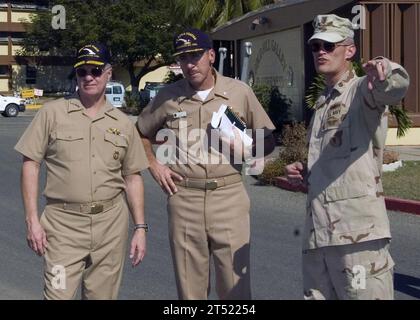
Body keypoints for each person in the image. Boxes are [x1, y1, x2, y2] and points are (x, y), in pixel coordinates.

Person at [137, 28, 275, 299]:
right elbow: (140, 133)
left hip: (229, 197)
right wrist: (154, 165)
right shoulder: (167, 96)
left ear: (211, 55)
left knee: (235, 288)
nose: (190, 64)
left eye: (196, 56)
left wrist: (247, 147)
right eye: (184, 58)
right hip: (184, 198)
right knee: (190, 290)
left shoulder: (238, 92)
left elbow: (269, 138)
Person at [286, 14, 410, 300]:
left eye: (329, 46)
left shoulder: (361, 91)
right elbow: (335, 160)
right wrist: (306, 171)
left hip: (357, 237)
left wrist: (385, 71)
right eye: (316, 47)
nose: (320, 52)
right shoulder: (323, 102)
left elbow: (393, 87)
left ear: (350, 50)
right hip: (319, 234)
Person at [15, 43, 149, 300]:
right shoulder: (52, 113)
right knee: (58, 295)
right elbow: (30, 163)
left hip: (110, 226)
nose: (89, 77)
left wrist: (140, 228)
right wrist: (32, 220)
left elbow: (133, 177)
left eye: (96, 71)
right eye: (82, 72)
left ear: (109, 73)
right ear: (76, 75)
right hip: (62, 227)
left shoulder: (122, 123)